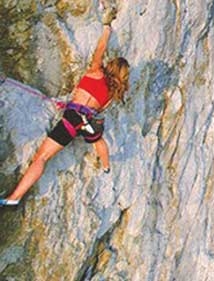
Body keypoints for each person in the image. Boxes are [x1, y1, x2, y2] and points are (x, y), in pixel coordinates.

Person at [0, 7, 129, 206]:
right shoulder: (112, 95)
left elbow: (99, 51)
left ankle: (14, 198)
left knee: (41, 158)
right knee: (96, 141)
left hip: (71, 119)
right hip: (80, 124)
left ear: (110, 65)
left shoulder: (96, 72)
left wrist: (106, 30)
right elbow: (95, 108)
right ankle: (106, 167)